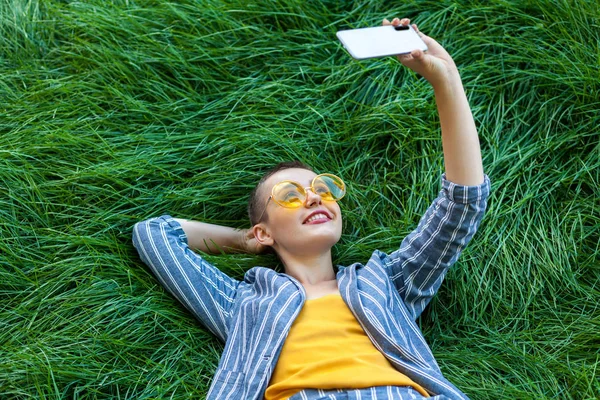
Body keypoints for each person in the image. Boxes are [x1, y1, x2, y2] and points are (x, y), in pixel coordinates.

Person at [132, 17, 491, 400]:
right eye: (290, 193)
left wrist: (446, 79)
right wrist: (246, 240)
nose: (315, 197)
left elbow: (461, 205)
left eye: (323, 187)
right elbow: (154, 235)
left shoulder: (387, 282)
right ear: (265, 231)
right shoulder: (244, 304)